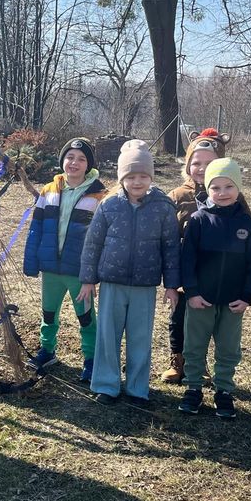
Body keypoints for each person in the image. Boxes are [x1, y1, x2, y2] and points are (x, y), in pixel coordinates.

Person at [79, 139, 180, 406]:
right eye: (131, 176)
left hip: (145, 286)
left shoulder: (163, 207)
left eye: (143, 176)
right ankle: (106, 384)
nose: (137, 182)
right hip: (112, 283)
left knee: (140, 338)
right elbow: (93, 244)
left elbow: (171, 248)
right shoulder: (109, 205)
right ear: (122, 178)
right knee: (108, 335)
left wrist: (172, 285)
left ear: (151, 177)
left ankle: (137, 388)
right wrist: (88, 279)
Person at [179, 159, 251, 420]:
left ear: (238, 188)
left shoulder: (248, 224)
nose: (222, 192)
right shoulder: (198, 221)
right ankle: (193, 387)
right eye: (215, 187)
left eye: (229, 186)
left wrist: (247, 296)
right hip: (200, 300)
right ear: (208, 189)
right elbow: (187, 259)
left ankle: (224, 390)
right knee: (194, 345)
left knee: (228, 348)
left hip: (233, 302)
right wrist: (192, 292)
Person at [22, 137, 106, 382]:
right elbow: (36, 227)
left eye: (81, 159)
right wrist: (32, 261)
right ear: (62, 161)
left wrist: (94, 272)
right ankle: (47, 350)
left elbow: (101, 238)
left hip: (79, 271)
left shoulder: (99, 195)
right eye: (70, 157)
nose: (74, 163)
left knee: (86, 317)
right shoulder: (48, 191)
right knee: (48, 313)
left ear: (89, 164)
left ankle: (91, 359)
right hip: (51, 268)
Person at [161, 128, 230, 383]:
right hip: (183, 273)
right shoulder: (178, 196)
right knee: (179, 318)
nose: (201, 169)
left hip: (213, 274)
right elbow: (166, 237)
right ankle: (177, 360)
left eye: (209, 163)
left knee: (204, 322)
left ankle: (198, 363)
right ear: (188, 164)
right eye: (196, 163)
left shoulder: (228, 195)